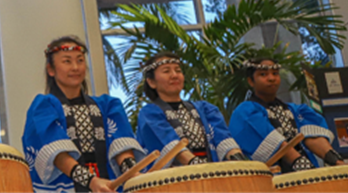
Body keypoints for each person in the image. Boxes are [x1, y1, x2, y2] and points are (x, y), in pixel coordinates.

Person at [22, 36, 145, 193]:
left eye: (80, 60)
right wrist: (91, 181)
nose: (75, 67)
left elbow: (121, 144)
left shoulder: (108, 105)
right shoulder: (43, 107)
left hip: (106, 185)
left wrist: (132, 173)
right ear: (51, 70)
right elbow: (55, 153)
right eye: (67, 61)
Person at [229, 58, 343, 174]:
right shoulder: (245, 112)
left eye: (275, 74)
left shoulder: (296, 110)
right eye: (263, 74)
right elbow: (271, 143)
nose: (271, 78)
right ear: (251, 81)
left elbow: (314, 137)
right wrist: (302, 165)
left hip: (307, 173)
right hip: (272, 179)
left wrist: (338, 162)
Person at [135, 52, 248, 168]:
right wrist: (196, 165)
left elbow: (222, 137)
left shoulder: (205, 108)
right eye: (166, 71)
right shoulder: (149, 113)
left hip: (209, 172)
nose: (174, 75)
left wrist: (238, 160)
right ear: (151, 82)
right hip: (172, 179)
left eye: (178, 71)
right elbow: (168, 142)